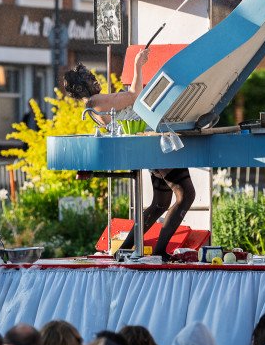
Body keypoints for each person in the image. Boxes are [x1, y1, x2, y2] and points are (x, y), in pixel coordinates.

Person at [61, 52, 196, 260]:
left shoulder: (93, 105)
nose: (95, 78)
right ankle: (159, 252)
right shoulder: (96, 102)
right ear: (80, 88)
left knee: (160, 203)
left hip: (148, 145)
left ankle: (124, 249)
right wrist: (137, 65)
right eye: (89, 77)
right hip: (155, 144)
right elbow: (134, 96)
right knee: (186, 195)